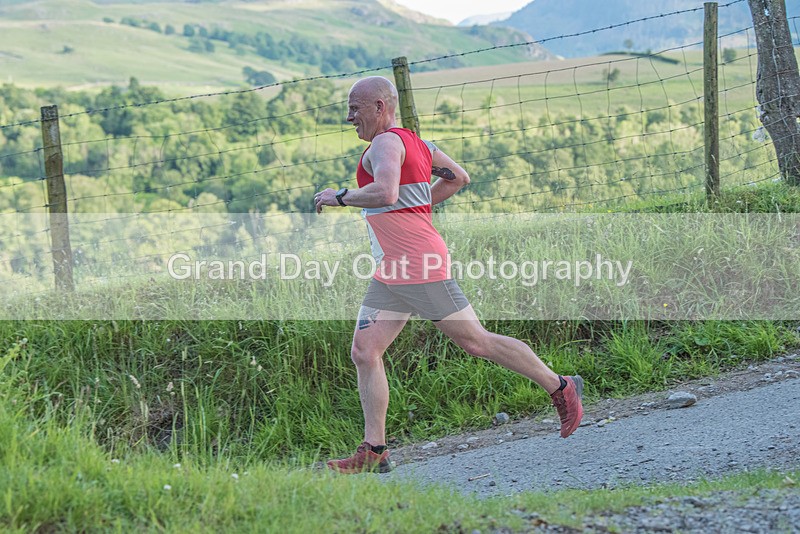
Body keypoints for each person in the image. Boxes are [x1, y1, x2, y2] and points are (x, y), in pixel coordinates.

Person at [314, 76, 584, 474]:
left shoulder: (385, 143)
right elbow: (458, 177)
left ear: (379, 107)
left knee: (476, 341)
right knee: (365, 350)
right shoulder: (419, 144)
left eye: (355, 108)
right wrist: (416, 207)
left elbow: (385, 193)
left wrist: (338, 196)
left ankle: (561, 387)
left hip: (417, 263)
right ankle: (374, 452)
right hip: (394, 266)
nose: (349, 116)